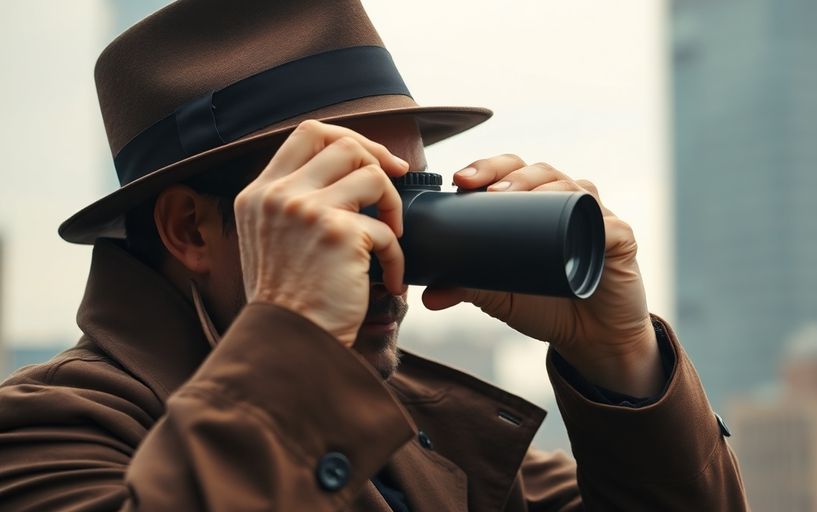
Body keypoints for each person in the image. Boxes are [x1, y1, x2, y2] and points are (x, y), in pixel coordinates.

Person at [0, 0, 746, 510]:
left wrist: (621, 363)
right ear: (191, 230)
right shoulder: (47, 433)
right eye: (348, 203)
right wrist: (296, 326)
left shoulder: (441, 438)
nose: (391, 247)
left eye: (412, 196)